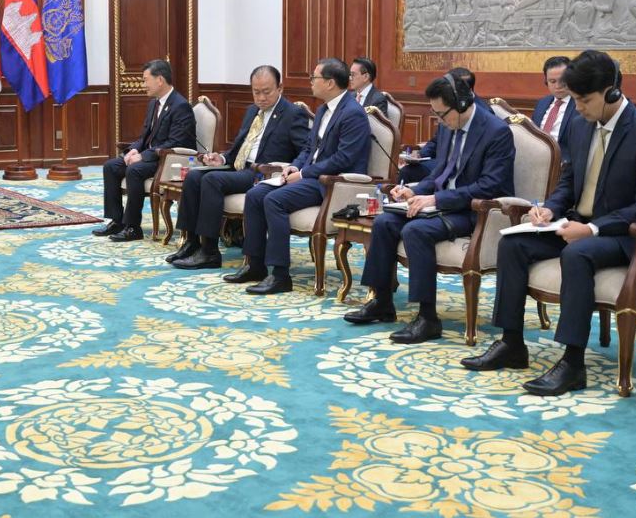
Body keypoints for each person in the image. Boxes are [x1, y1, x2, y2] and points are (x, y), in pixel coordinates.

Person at [462, 50, 636, 396]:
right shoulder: (579, 124)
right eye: (574, 99)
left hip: (623, 235)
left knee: (577, 254)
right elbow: (569, 180)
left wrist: (592, 229)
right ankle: (512, 343)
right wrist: (549, 208)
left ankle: (573, 363)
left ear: (611, 93)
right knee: (512, 243)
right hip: (576, 224)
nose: (578, 108)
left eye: (584, 100)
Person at [344, 72, 514, 342]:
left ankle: (427, 318)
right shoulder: (447, 127)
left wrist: (436, 199)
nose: (439, 120)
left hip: (476, 211)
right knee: (385, 222)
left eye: (441, 114)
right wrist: (415, 190)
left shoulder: (496, 132)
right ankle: (382, 301)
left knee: (416, 230)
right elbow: (440, 173)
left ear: (461, 105)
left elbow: (489, 186)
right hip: (443, 205)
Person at [224, 57, 370, 295]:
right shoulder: (323, 109)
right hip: (312, 176)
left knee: (274, 200)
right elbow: (308, 149)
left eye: (314, 77)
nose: (310, 81)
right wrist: (294, 167)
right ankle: (255, 264)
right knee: (256, 194)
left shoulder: (353, 113)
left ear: (330, 82)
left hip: (333, 183)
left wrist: (303, 173)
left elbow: (343, 159)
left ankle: (280, 275)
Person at [168, 65, 309, 269]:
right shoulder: (252, 111)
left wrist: (291, 169)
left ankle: (209, 251)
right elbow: (240, 146)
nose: (261, 98)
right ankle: (191, 242)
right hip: (238, 166)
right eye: (256, 92)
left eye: (266, 92)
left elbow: (305, 150)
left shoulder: (293, 114)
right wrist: (221, 158)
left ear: (280, 88)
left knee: (212, 180)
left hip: (261, 173)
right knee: (194, 176)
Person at [95, 59, 195, 242]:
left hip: (169, 160)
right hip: (151, 156)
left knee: (134, 170)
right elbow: (145, 136)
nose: (143, 85)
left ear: (160, 80)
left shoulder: (181, 106)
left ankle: (133, 227)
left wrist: (142, 156)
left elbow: (175, 142)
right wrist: (133, 150)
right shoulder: (154, 103)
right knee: (111, 166)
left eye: (145, 80)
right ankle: (117, 221)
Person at [398, 67, 489, 184]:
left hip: (463, 172)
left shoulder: (484, 117)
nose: (439, 120)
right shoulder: (446, 110)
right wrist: (420, 154)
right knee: (409, 172)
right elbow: (436, 141)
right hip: (443, 164)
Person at [531, 56, 576, 162]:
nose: (558, 86)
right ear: (546, 82)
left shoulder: (581, 105)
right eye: (552, 81)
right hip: (536, 160)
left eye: (562, 80)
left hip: (564, 164)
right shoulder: (542, 103)